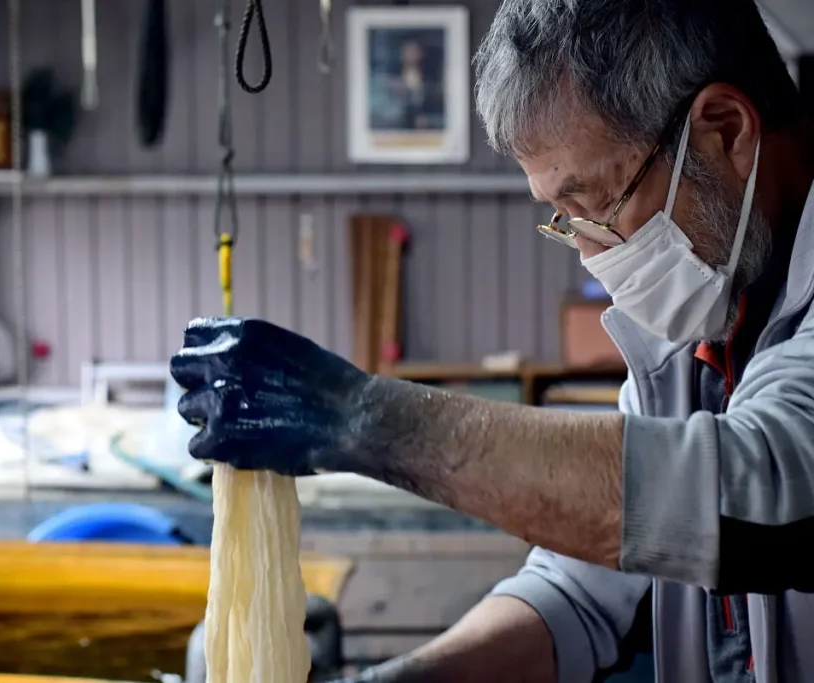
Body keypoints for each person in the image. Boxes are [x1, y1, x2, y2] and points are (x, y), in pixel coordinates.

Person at [170, 0, 814, 680]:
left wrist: (359, 417)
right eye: (564, 218)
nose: (589, 249)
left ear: (724, 130)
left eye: (598, 203)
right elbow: (580, 594)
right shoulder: (703, 313)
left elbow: (754, 491)